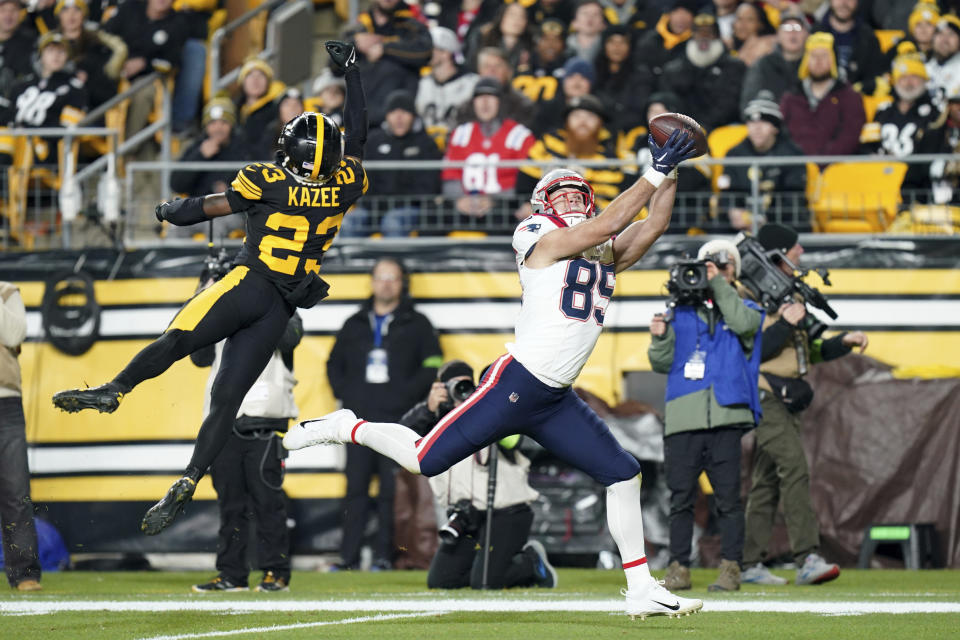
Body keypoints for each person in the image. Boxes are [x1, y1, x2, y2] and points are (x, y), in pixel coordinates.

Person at [285, 128, 705, 619]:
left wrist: (671, 169)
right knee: (425, 461)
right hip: (518, 381)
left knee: (624, 474)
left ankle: (640, 589)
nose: (570, 197)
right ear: (542, 205)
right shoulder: (536, 235)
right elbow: (609, 222)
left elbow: (651, 224)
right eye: (560, 193)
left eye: (577, 192)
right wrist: (652, 171)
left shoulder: (602, 249)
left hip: (555, 397)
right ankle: (345, 426)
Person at [50, 41, 370, 536]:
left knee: (177, 339)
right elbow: (359, 139)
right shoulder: (347, 182)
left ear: (290, 151)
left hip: (247, 283)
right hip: (281, 307)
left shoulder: (265, 179)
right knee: (227, 399)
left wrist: (167, 210)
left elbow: (204, 208)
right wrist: (352, 74)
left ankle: (116, 389)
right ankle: (189, 475)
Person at [740, 223, 869, 587]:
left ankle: (750, 562)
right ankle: (807, 557)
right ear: (779, 253)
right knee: (795, 467)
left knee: (767, 482)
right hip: (766, 393)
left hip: (786, 396)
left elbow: (810, 349)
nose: (802, 254)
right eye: (796, 247)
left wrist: (843, 341)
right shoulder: (748, 292)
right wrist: (784, 322)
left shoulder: (786, 296)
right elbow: (755, 351)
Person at [647, 239, 764, 593]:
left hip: (726, 415)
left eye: (723, 267)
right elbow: (661, 363)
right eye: (708, 266)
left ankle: (731, 568)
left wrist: (718, 285)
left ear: (733, 273)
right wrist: (660, 339)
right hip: (684, 416)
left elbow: (745, 325)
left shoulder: (745, 307)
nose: (714, 272)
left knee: (728, 499)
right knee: (680, 498)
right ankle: (679, 567)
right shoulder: (677, 312)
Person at [325, 258, 443, 571]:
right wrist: (347, 393)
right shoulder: (355, 323)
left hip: (398, 422)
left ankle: (384, 557)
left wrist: (405, 396)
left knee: (394, 492)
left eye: (393, 277)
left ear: (402, 282)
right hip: (357, 421)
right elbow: (333, 363)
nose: (386, 283)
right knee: (355, 492)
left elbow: (433, 364)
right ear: (372, 282)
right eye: (381, 277)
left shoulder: (418, 323)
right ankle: (348, 559)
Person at [189, 268, 302, 594]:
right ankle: (231, 574)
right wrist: (204, 297)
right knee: (230, 505)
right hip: (224, 422)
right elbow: (197, 354)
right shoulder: (221, 313)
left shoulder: (280, 307)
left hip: (264, 422)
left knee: (268, 502)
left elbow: (289, 337)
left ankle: (276, 572)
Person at [400, 360, 557, 590]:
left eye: (466, 385)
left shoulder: (489, 412)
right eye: (454, 386)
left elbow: (513, 442)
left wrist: (491, 410)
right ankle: (484, 566)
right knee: (441, 581)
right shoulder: (434, 422)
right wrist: (428, 408)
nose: (461, 392)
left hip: (506, 513)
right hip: (467, 516)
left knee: (485, 583)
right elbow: (400, 441)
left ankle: (530, 564)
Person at [342, 89, 442, 237]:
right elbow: (362, 180)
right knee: (348, 222)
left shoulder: (426, 144)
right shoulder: (374, 141)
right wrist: (375, 203)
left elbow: (429, 185)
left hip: (411, 208)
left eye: (405, 112)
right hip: (374, 208)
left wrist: (397, 202)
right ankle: (351, 260)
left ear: (413, 116)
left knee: (392, 222)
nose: (399, 117)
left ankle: (391, 260)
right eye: (394, 112)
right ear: (387, 116)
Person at [442, 78, 535, 232]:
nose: (485, 102)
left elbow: (527, 180)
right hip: (464, 205)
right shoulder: (460, 133)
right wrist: (459, 199)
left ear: (501, 102)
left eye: (491, 96)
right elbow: (450, 175)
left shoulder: (519, 135)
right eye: (480, 97)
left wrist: (494, 199)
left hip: (504, 207)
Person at [0, 281, 41, 592]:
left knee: (16, 491)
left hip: (6, 403)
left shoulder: (7, 293)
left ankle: (24, 573)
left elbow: (13, 334)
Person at [720, 93, 807, 232]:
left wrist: (766, 220)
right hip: (740, 228)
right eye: (751, 122)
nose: (756, 128)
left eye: (764, 122)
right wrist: (733, 211)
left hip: (781, 225)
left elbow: (794, 198)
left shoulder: (792, 154)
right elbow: (727, 191)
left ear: (775, 128)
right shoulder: (734, 154)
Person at [780, 31, 866, 157]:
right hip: (794, 168)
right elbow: (781, 133)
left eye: (824, 56)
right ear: (806, 60)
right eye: (813, 56)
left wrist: (821, 162)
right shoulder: (791, 97)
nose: (818, 61)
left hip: (834, 169)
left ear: (833, 59)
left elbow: (850, 136)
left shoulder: (850, 97)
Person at [660, 12, 746, 132]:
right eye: (699, 32)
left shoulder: (735, 67)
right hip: (683, 130)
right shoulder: (674, 69)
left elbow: (730, 104)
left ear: (717, 36)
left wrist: (703, 126)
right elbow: (669, 101)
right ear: (692, 35)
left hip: (722, 129)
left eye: (709, 32)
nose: (703, 37)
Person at [170, 97, 250, 199]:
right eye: (212, 123)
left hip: (232, 210)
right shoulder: (197, 147)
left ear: (232, 126)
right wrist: (200, 155)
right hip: (199, 209)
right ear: (206, 127)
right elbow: (176, 185)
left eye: (224, 122)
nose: (218, 128)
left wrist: (230, 188)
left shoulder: (242, 148)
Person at [416, 26, 479, 149]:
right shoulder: (422, 82)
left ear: (446, 53)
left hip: (462, 148)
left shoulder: (472, 83)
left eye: (431, 49)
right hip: (427, 150)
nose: (424, 52)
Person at [740, 6, 810, 113]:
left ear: (807, 34)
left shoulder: (814, 65)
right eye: (786, 29)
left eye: (797, 28)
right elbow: (747, 103)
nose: (792, 33)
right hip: (768, 122)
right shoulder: (762, 65)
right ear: (778, 36)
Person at [813, 0, 884, 94]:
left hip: (858, 101)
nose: (844, 3)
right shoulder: (813, 34)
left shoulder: (869, 38)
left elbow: (875, 77)